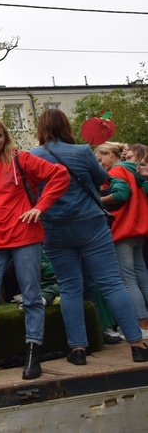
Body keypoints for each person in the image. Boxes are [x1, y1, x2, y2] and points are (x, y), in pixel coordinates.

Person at [30, 110, 148, 364]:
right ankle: (137, 345)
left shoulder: (31, 156)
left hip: (54, 228)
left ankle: (78, 350)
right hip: (90, 224)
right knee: (112, 283)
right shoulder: (83, 152)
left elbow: (32, 193)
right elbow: (102, 180)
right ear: (66, 126)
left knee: (70, 288)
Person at [0, 117, 69, 382]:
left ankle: (33, 354)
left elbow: (59, 175)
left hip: (25, 236)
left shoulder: (20, 160)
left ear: (5, 137)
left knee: (32, 298)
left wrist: (40, 207)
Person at [94, 141, 148, 336]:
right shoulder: (135, 170)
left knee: (128, 280)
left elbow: (121, 193)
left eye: (101, 160)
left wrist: (97, 199)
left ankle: (142, 324)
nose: (101, 165)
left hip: (123, 229)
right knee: (142, 275)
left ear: (110, 154)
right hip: (139, 228)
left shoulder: (116, 171)